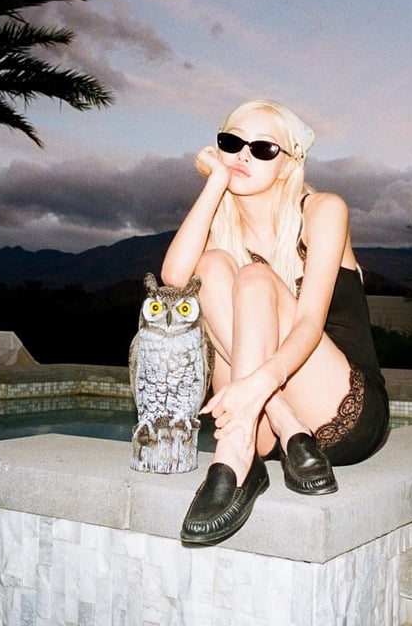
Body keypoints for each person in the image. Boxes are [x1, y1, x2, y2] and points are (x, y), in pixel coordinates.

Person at [161, 99, 389, 545]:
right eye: (232, 143)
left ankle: (232, 458)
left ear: (288, 165)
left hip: (341, 404)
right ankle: (281, 423)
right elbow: (174, 278)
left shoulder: (324, 210)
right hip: (274, 428)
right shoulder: (224, 228)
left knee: (255, 277)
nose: (243, 155)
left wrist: (258, 385)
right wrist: (216, 183)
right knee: (209, 266)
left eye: (263, 148)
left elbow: (308, 324)